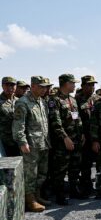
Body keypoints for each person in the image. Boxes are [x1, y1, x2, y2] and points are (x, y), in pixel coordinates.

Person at [12, 76, 51, 212]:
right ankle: (30, 201)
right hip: (31, 144)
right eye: (41, 86)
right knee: (30, 174)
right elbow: (18, 125)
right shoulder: (22, 102)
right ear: (33, 86)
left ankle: (37, 195)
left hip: (43, 142)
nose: (44, 89)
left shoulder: (41, 101)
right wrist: (22, 142)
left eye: (45, 87)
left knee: (42, 172)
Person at [48, 74, 85, 205]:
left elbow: (76, 118)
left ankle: (73, 189)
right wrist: (65, 138)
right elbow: (55, 123)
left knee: (75, 166)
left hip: (76, 139)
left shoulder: (72, 100)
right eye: (72, 83)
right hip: (62, 142)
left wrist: (81, 134)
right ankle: (59, 194)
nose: (75, 85)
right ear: (65, 83)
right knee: (60, 168)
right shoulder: (55, 100)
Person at [75, 75, 99, 196]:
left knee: (100, 163)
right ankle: (86, 188)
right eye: (88, 85)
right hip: (84, 137)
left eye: (93, 85)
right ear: (83, 86)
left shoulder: (98, 99)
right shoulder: (77, 100)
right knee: (85, 164)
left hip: (98, 137)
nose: (91, 87)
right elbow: (75, 119)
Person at [0, 76, 19, 156]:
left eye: (12, 85)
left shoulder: (19, 101)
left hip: (19, 141)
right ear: (2, 86)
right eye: (7, 85)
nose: (10, 88)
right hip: (4, 142)